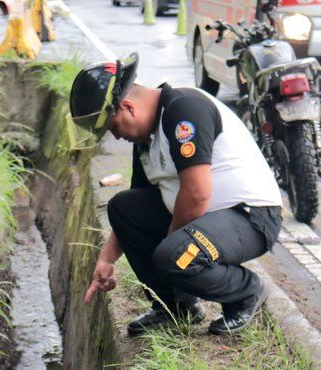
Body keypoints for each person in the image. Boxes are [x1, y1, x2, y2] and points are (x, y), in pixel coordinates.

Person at [69, 53, 284, 336]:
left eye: (114, 128)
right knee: (123, 208)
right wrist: (107, 259)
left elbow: (196, 194)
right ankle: (174, 308)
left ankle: (246, 292)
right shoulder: (147, 138)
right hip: (211, 218)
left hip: (250, 215)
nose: (117, 137)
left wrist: (171, 245)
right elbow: (139, 202)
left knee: (175, 255)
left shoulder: (184, 110)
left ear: (128, 107)